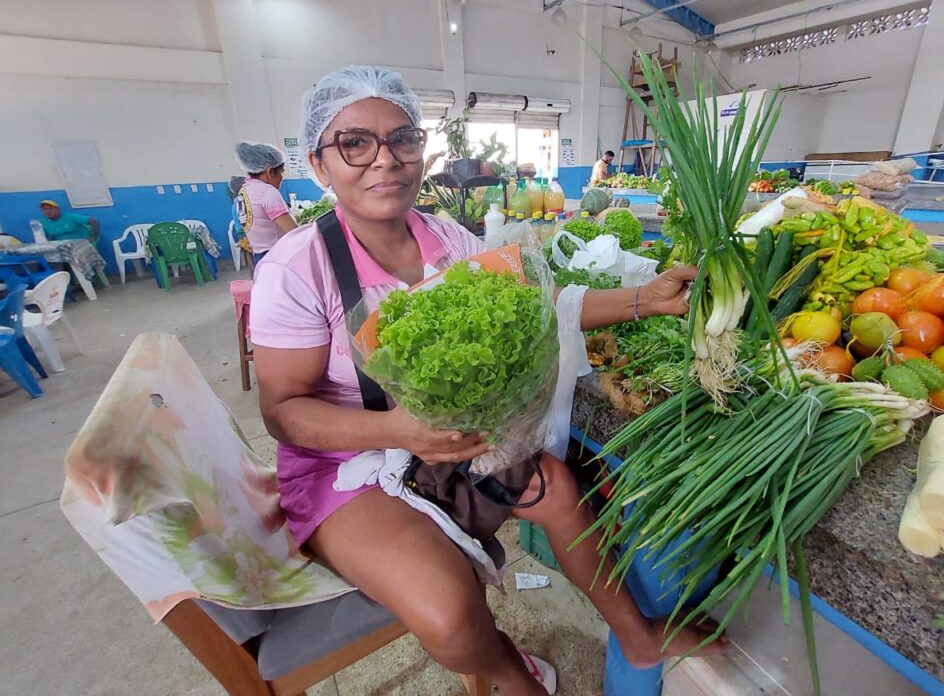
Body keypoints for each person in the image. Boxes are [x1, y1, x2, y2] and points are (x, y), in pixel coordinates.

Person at [250, 66, 723, 696]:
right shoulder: (295, 268)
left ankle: (636, 634)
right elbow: (283, 412)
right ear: (318, 163)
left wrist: (647, 298)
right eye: (355, 143)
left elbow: (542, 303)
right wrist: (395, 427)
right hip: (344, 465)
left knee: (558, 489)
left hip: (447, 441)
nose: (384, 160)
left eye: (403, 139)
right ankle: (512, 675)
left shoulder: (446, 238)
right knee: (447, 609)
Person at [233, 142, 298, 267]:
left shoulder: (244, 191)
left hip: (259, 257)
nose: (281, 177)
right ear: (270, 172)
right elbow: (293, 232)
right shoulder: (267, 192)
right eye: (281, 172)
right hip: (278, 257)